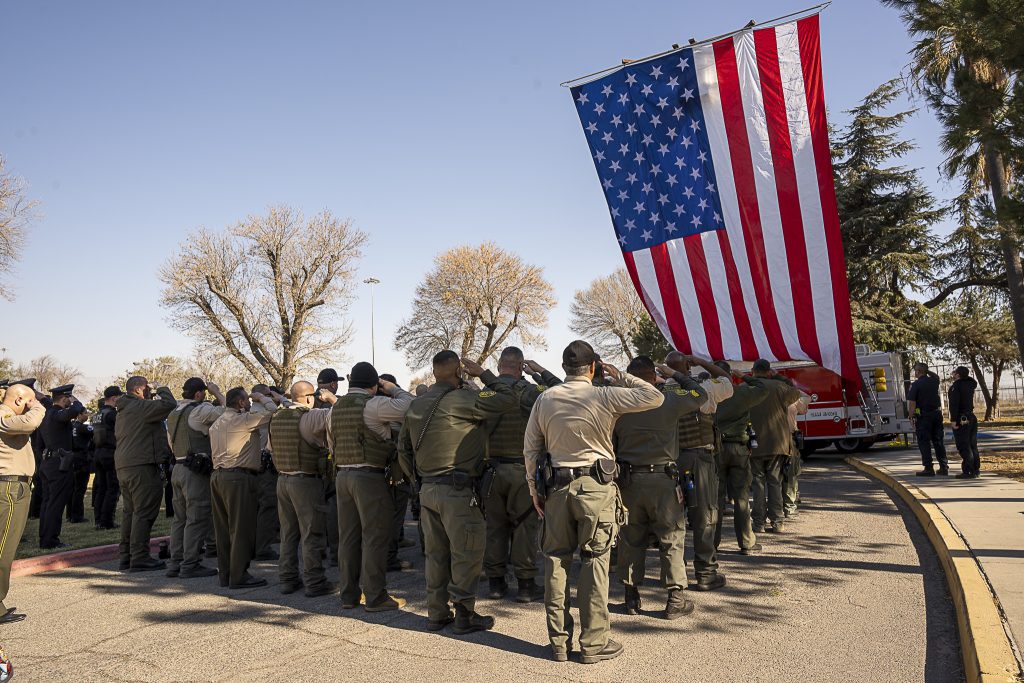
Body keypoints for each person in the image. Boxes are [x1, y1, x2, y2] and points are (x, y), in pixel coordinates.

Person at [524, 340, 664, 664]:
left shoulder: (545, 399)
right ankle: (593, 644)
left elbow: (531, 449)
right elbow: (654, 396)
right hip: (596, 488)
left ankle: (559, 643)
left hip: (556, 488)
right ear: (592, 368)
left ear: (563, 368)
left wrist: (533, 489)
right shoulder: (604, 394)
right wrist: (619, 375)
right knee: (595, 562)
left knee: (556, 562)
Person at [398, 351, 504, 634]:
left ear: (434, 373)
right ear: (458, 371)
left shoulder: (417, 404)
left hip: (428, 488)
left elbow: (402, 450)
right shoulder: (465, 400)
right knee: (466, 553)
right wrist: (483, 374)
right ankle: (465, 615)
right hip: (458, 491)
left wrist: (417, 479)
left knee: (435, 555)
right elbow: (507, 399)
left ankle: (437, 613)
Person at [613, 356, 704, 619]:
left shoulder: (619, 405)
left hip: (629, 482)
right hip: (664, 482)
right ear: (654, 377)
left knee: (630, 538)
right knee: (671, 538)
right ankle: (675, 599)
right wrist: (674, 374)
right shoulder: (667, 400)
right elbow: (699, 394)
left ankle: (631, 598)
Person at [477, 347, 561, 604]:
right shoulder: (534, 392)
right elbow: (560, 391)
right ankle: (525, 585)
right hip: (525, 470)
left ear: (499, 365)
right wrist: (540, 372)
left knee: (495, 527)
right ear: (521, 365)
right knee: (526, 526)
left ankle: (496, 583)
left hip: (491, 471)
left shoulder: (485, 393)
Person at [331, 362, 413, 612]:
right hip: (368, 476)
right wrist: (393, 388)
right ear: (373, 385)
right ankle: (376, 596)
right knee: (375, 536)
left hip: (342, 475)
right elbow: (411, 405)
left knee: (348, 538)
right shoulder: (373, 404)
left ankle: (348, 595)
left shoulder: (336, 408)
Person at [666, 351, 734, 591]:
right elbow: (727, 381)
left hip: (671, 460)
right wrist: (704, 361)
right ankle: (705, 573)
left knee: (673, 520)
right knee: (705, 516)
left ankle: (675, 573)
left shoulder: (663, 391)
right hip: (699, 459)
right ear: (687, 367)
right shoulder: (704, 389)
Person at [270, 380, 337, 597]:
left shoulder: (276, 418)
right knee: (311, 533)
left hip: (283, 480)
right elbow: (337, 417)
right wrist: (331, 399)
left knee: (288, 533)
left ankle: (288, 579)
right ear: (309, 398)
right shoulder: (309, 417)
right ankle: (314, 581)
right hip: (305, 481)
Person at [209, 387, 279, 589]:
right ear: (240, 403)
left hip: (218, 476)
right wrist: (263, 397)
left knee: (223, 529)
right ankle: (239, 575)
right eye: (247, 401)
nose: (249, 403)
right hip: (238, 477)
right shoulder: (243, 420)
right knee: (241, 528)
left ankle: (227, 574)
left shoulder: (218, 421)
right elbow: (274, 412)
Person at [115, 376, 177, 571]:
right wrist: (160, 387)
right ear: (139, 389)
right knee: (144, 511)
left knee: (130, 512)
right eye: (148, 390)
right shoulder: (140, 407)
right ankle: (140, 557)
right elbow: (169, 404)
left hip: (126, 465)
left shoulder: (124, 409)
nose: (150, 393)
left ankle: (127, 556)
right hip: (142, 464)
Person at [166, 377, 225, 579]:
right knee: (197, 517)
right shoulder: (199, 410)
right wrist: (217, 392)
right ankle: (190, 563)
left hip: (178, 467)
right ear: (199, 394)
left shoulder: (173, 413)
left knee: (179, 519)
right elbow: (228, 412)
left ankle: (176, 562)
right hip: (195, 471)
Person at [0, 383, 46, 624]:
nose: (30, 407)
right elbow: (30, 422)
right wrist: (37, 405)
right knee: (3, 549)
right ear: (19, 400)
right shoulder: (3, 414)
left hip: (13, 486)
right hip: (8, 487)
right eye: (27, 403)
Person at [712, 362, 767, 554]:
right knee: (742, 498)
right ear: (729, 375)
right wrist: (743, 376)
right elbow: (762, 388)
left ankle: (712, 543)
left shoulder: (708, 393)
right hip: (739, 448)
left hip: (716, 449)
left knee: (715, 499)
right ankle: (746, 542)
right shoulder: (741, 393)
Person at [747, 360, 801, 534]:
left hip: (754, 443)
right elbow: (795, 392)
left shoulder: (749, 388)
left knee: (757, 484)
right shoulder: (779, 387)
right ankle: (777, 522)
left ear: (753, 371)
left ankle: (758, 523)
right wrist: (776, 375)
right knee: (775, 482)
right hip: (778, 443)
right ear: (768, 371)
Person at [38, 384, 86, 549]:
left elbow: (39, 444)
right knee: (56, 503)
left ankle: (45, 537)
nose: (70, 401)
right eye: (69, 398)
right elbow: (78, 409)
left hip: (47, 463)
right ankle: (50, 540)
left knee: (47, 502)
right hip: (59, 465)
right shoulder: (57, 414)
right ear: (65, 398)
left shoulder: (46, 414)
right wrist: (74, 400)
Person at [379, 373, 415, 573]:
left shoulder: (368, 405)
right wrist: (393, 389)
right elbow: (413, 404)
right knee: (394, 516)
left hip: (373, 471)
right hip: (395, 471)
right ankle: (389, 558)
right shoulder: (390, 408)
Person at [251, 384, 281, 561]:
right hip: (264, 464)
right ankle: (262, 547)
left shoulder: (250, 412)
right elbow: (275, 411)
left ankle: (257, 543)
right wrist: (267, 397)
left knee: (256, 507)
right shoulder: (261, 412)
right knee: (267, 505)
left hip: (252, 464)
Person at [908, 362, 948, 477]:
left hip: (924, 416)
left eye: (915, 371)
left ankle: (928, 468)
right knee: (938, 441)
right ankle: (944, 467)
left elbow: (912, 403)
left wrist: (911, 416)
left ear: (918, 372)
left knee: (924, 442)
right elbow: (936, 376)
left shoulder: (916, 384)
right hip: (936, 414)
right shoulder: (934, 381)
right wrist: (926, 371)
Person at [91, 386, 122, 530]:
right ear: (114, 398)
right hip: (110, 453)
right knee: (112, 488)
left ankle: (98, 520)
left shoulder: (97, 414)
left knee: (101, 488)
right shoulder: (112, 414)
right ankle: (107, 521)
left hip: (98, 453)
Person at [782, 388, 811, 517]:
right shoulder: (793, 399)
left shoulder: (768, 398)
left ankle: (777, 506)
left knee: (774, 475)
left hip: (771, 440)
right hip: (789, 439)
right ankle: (789, 507)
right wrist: (795, 388)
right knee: (791, 473)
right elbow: (806, 401)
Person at [948, 366, 980, 479]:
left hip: (962, 418)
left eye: (955, 373)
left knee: (964, 445)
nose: (953, 375)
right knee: (972, 444)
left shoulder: (956, 387)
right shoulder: (970, 384)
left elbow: (954, 405)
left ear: (958, 375)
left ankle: (968, 470)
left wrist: (953, 420)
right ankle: (976, 469)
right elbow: (972, 381)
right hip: (971, 416)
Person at [66, 411, 93, 524]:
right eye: (85, 413)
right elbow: (94, 431)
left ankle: (70, 514)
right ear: (79, 415)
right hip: (81, 459)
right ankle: (77, 516)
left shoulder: (71, 426)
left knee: (72, 488)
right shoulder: (82, 428)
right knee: (80, 489)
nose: (87, 415)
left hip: (72, 458)